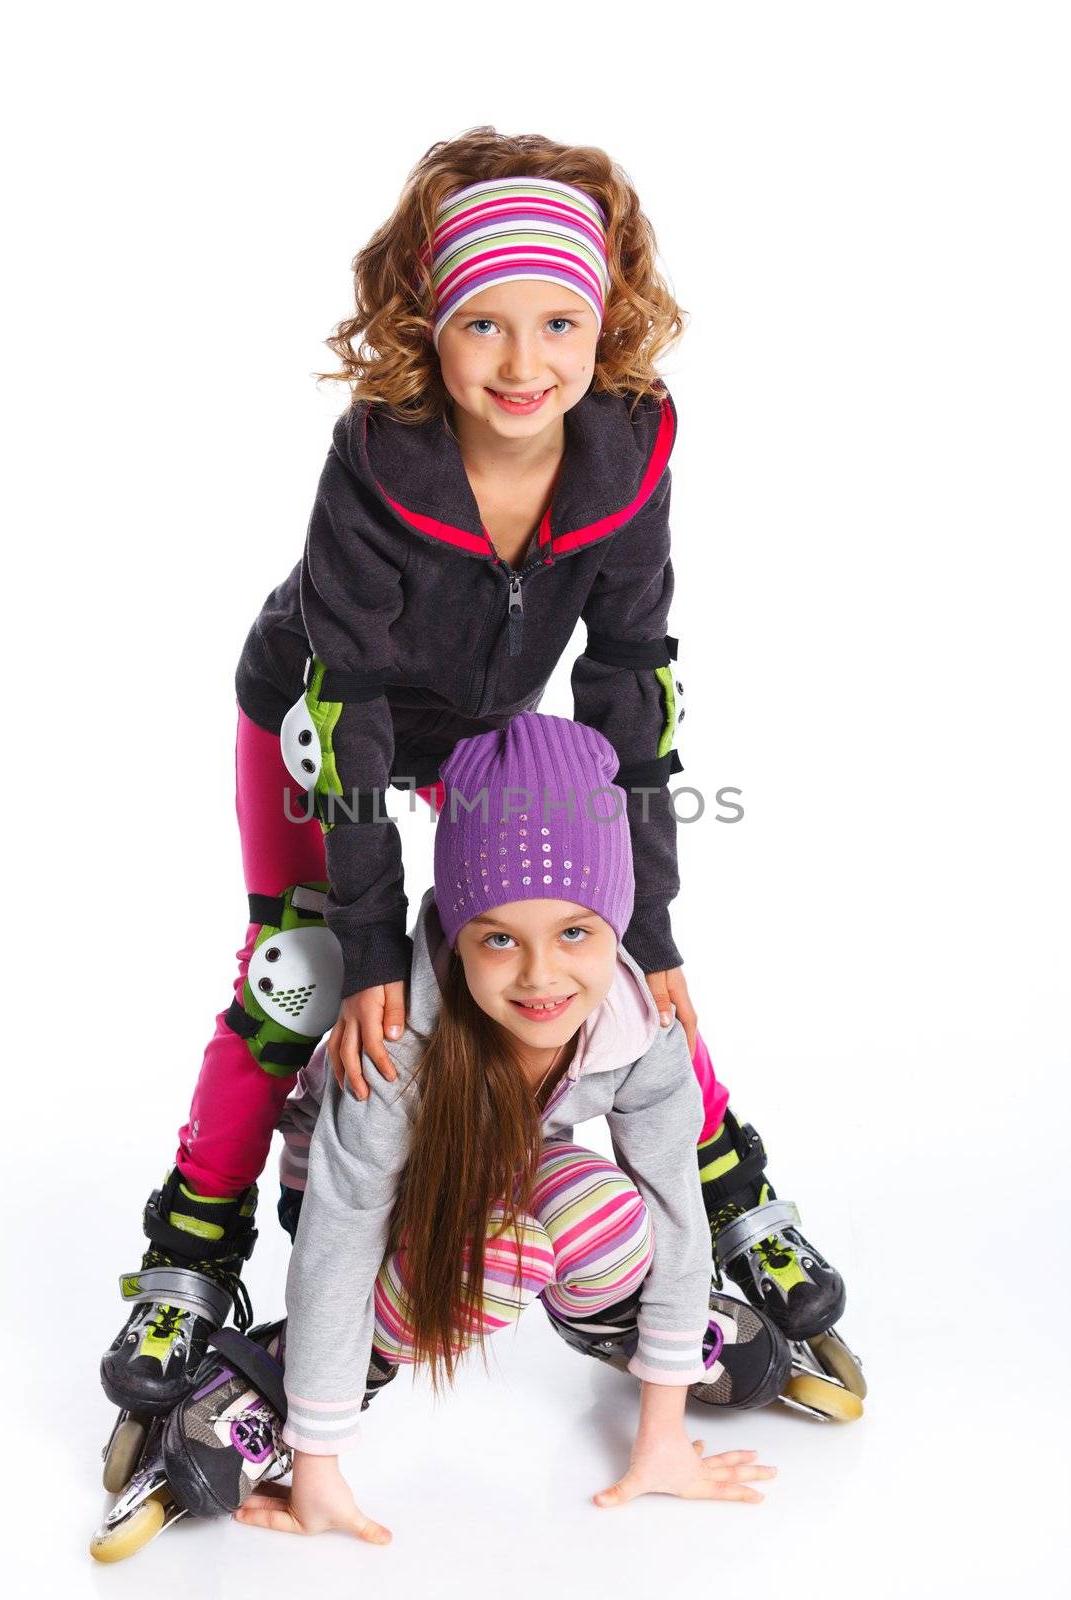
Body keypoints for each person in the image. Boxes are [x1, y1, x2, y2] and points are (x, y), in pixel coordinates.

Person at [100, 127, 845, 1429]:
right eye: (482, 327)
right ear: (427, 331)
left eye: (558, 322)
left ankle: (735, 1205)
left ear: (603, 319)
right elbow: (347, 718)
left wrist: (652, 925)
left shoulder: (627, 455)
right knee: (301, 982)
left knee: (608, 957)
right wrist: (374, 952)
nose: (522, 363)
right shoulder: (380, 465)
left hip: (486, 722)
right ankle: (191, 1258)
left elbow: (627, 682)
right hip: (321, 718)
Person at [236, 714, 780, 1541]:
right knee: (501, 1255)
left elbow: (676, 1206)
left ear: (617, 925)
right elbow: (337, 1238)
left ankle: (617, 1329)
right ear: (457, 940)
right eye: (499, 939)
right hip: (355, 1206)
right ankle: (337, 1364)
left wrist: (662, 1434)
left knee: (605, 1217)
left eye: (574, 933)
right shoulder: (396, 1049)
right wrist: (318, 1458)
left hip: (506, 1155)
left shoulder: (643, 1026)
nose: (541, 977)